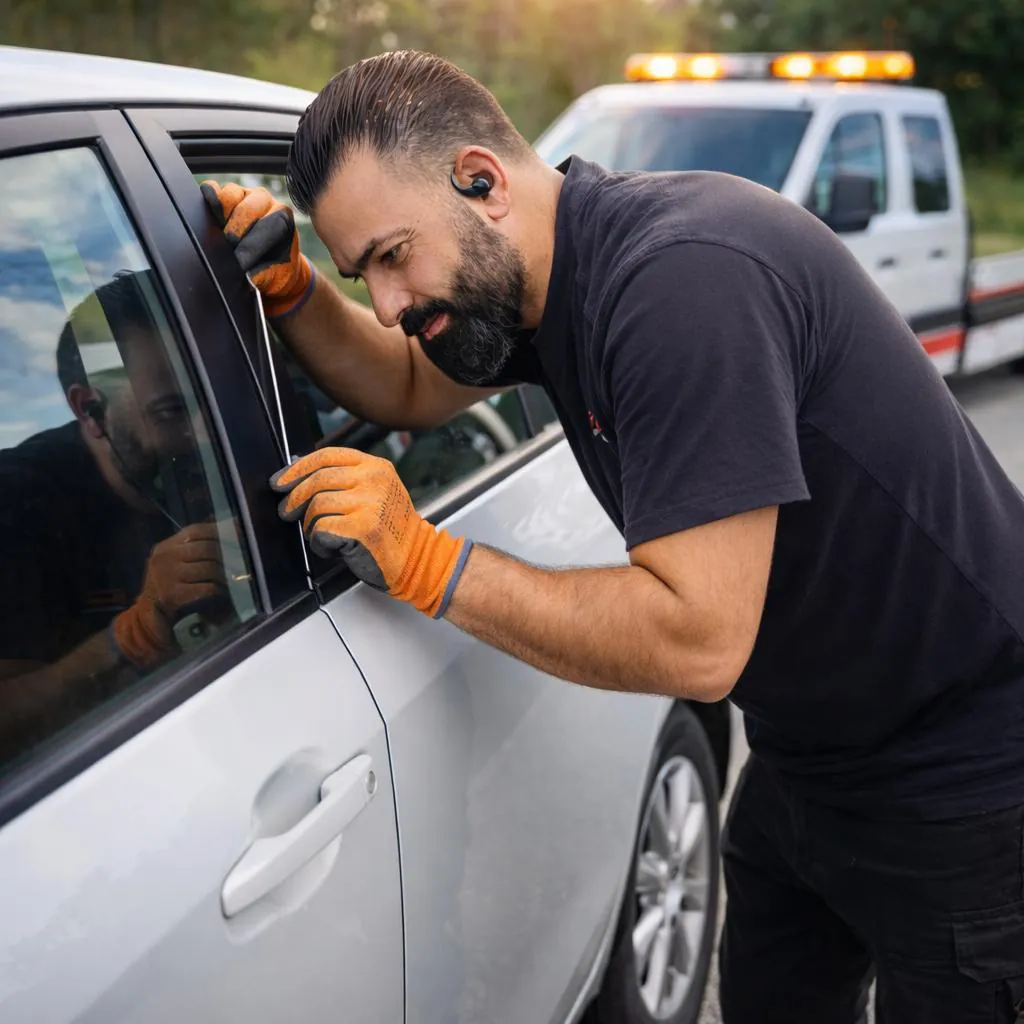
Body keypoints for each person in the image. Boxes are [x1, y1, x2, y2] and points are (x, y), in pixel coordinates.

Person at [201, 51, 1024, 1022]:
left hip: (968, 780)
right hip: (811, 757)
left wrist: (426, 561)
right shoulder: (541, 280)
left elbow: (699, 639)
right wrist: (295, 293)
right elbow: (409, 385)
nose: (386, 302)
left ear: (481, 180)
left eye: (389, 256)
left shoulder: (679, 282)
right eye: (361, 272)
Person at [0, 272, 229, 765]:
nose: (209, 435)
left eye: (212, 400)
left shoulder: (228, 450)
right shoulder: (17, 508)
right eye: (172, 412)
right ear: (89, 410)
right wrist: (132, 636)